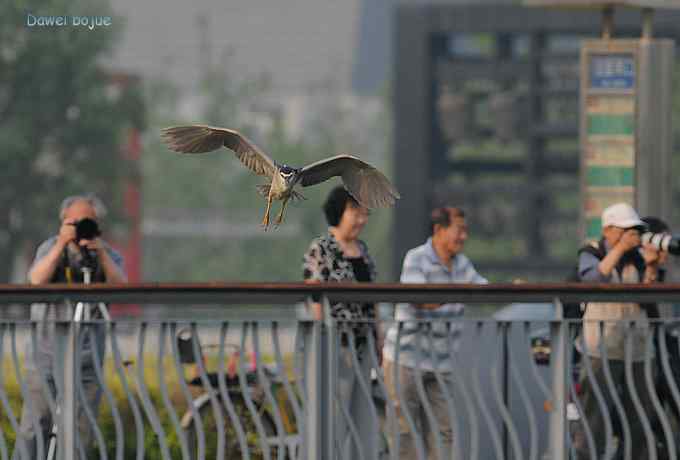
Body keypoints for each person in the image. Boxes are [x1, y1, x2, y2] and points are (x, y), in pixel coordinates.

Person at [15, 194, 127, 459]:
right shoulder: (50, 248)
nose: (81, 229)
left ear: (98, 224)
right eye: (75, 222)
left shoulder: (106, 254)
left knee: (80, 432)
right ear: (63, 223)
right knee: (34, 429)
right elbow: (36, 281)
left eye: (88, 222)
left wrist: (99, 251)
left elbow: (122, 288)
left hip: (87, 360)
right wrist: (61, 244)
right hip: (46, 355)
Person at [382, 206, 487, 459]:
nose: (463, 237)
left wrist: (513, 288)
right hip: (405, 360)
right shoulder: (416, 258)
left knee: (444, 432)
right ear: (439, 230)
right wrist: (458, 291)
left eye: (465, 231)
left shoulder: (463, 264)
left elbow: (483, 289)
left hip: (443, 363)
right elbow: (419, 298)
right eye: (459, 230)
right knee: (404, 431)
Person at [573, 203, 661, 459]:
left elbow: (648, 300)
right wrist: (620, 249)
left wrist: (652, 267)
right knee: (596, 414)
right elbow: (591, 280)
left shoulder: (639, 257)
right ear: (608, 230)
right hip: (601, 347)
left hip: (638, 348)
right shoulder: (592, 251)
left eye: (634, 230)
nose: (631, 235)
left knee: (641, 414)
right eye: (626, 230)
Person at [302, 185, 380, 460]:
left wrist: (379, 340)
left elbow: (374, 296)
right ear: (339, 212)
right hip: (336, 346)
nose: (360, 219)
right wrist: (323, 344)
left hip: (364, 345)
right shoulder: (321, 248)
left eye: (364, 214)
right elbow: (314, 299)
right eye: (354, 212)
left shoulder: (363, 250)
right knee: (334, 418)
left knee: (363, 419)